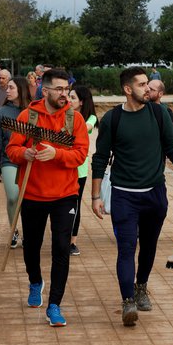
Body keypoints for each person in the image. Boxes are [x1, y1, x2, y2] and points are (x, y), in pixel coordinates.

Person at [91, 67, 173, 327]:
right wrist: (95, 196)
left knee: (148, 247)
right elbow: (100, 158)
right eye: (141, 85)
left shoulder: (159, 113)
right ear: (128, 90)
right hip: (124, 196)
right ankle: (128, 300)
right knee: (126, 249)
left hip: (155, 195)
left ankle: (141, 286)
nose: (148, 89)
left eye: (148, 84)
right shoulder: (113, 120)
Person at [6, 69, 89, 327]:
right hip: (32, 193)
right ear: (45, 90)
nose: (65, 94)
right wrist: (24, 155)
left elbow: (81, 155)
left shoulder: (74, 119)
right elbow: (12, 150)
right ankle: (35, 281)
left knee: (61, 248)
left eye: (67, 89)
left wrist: (56, 155)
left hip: (65, 194)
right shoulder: (28, 115)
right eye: (60, 90)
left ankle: (54, 304)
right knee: (32, 246)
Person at [0, 76, 31, 248]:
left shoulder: (32, 110)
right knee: (13, 196)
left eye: (11, 88)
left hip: (29, 160)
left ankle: (28, 233)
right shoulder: (1, 112)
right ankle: (13, 231)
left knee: (28, 199)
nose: (7, 90)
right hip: (9, 159)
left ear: (21, 89)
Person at [67, 85, 98, 256]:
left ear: (81, 101)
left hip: (79, 169)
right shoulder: (64, 114)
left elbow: (82, 129)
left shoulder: (91, 118)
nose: (69, 100)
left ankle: (72, 241)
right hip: (63, 166)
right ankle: (61, 238)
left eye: (73, 97)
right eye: (69, 97)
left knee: (75, 206)